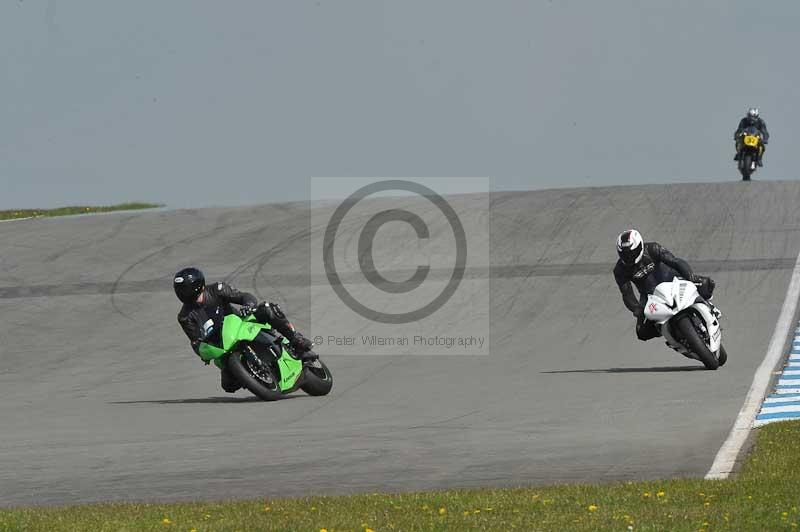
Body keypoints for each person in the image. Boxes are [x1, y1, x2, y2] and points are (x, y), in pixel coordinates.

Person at [174, 267, 315, 393]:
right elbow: (195, 341)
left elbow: (243, 296)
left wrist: (248, 305)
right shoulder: (184, 317)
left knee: (267, 308)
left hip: (241, 324)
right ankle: (253, 376)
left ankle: (296, 339)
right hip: (222, 346)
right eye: (180, 290)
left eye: (185, 289)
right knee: (228, 386)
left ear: (198, 285)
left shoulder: (217, 289)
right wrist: (202, 351)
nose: (183, 293)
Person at [613, 230, 716, 341]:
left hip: (673, 280)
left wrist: (690, 276)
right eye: (625, 255)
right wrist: (636, 308)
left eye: (632, 253)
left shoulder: (652, 248)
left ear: (640, 246)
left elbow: (675, 261)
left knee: (707, 284)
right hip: (649, 296)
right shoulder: (619, 270)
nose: (629, 257)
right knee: (641, 332)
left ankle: (708, 307)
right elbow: (627, 294)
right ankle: (666, 331)